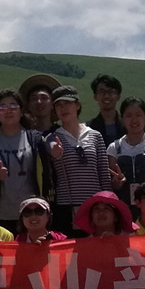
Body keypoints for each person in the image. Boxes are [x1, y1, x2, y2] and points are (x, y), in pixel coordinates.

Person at [0, 89, 54, 232]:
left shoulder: (35, 139)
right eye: (3, 107)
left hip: (31, 213)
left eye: (13, 106)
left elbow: (47, 174)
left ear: (22, 111)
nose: (8, 110)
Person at [46, 84, 112, 227]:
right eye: (59, 106)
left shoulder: (95, 135)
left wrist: (107, 202)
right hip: (66, 205)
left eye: (67, 104)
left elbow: (103, 173)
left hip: (95, 204)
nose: (63, 108)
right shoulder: (52, 137)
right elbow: (51, 149)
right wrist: (54, 151)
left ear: (77, 105)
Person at [106, 96, 145, 204]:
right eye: (129, 115)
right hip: (125, 206)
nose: (134, 120)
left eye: (138, 115)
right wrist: (117, 182)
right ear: (122, 118)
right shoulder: (114, 148)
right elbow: (114, 185)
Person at [87, 73, 125, 143]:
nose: (106, 96)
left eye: (111, 91)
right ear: (95, 97)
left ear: (118, 96)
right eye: (102, 91)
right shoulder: (88, 129)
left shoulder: (128, 126)